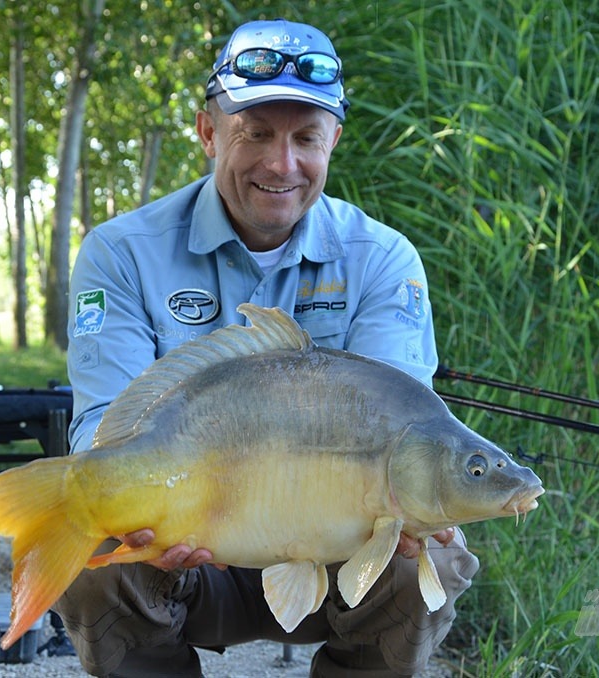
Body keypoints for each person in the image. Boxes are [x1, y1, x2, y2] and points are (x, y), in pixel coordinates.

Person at [58, 18, 480, 677]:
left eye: (305, 138)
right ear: (208, 132)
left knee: (421, 551)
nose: (281, 164)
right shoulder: (121, 252)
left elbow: (406, 425)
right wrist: (139, 516)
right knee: (93, 540)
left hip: (338, 555)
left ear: (333, 140)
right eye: (255, 134)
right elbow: (101, 432)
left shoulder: (381, 258)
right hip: (189, 541)